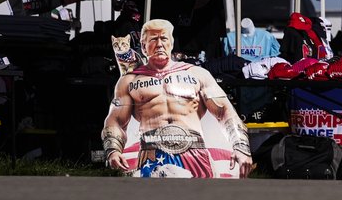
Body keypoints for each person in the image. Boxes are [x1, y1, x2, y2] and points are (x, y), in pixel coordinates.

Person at [101, 19, 252, 178]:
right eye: (153, 39)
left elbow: (225, 111)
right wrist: (113, 150)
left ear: (171, 43)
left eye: (164, 38)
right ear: (143, 46)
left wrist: (241, 147)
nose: (159, 44)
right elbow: (116, 119)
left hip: (195, 153)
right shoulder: (129, 81)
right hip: (152, 154)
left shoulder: (197, 74)